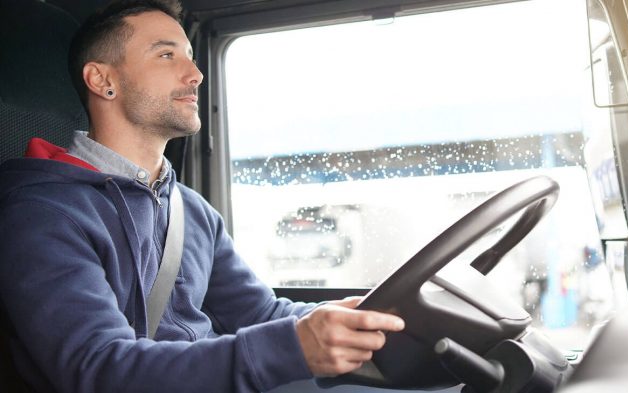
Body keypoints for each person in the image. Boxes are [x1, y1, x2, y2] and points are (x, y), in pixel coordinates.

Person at [0, 0, 405, 391]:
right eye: (166, 55)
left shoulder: (191, 209)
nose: (195, 73)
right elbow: (99, 368)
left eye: (191, 56)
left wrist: (352, 315)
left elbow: (261, 314)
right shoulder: (44, 212)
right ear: (103, 80)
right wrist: (290, 348)